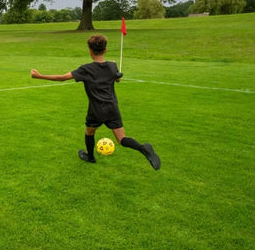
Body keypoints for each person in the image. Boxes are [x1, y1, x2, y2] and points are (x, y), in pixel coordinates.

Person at [30, 34, 160, 170]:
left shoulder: (86, 69)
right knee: (122, 139)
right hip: (112, 108)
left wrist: (39, 76)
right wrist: (117, 74)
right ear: (105, 50)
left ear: (90, 51)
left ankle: (90, 157)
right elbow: (117, 80)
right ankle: (142, 148)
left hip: (96, 110)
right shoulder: (112, 65)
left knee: (89, 132)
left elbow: (62, 77)